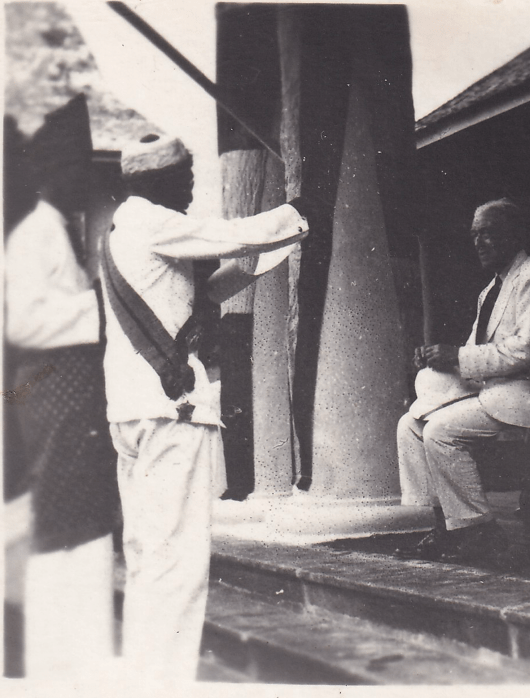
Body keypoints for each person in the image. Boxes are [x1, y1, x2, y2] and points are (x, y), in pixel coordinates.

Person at [101, 133, 317, 681]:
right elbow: (228, 237)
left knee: (151, 553)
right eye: (187, 180)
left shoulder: (127, 228)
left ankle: (145, 677)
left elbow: (208, 292)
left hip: (134, 411)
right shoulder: (153, 220)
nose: (193, 192)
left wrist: (275, 247)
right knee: (179, 560)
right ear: (162, 181)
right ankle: (165, 682)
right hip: (170, 410)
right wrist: (295, 215)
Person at [4, 94, 120, 679]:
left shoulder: (65, 235)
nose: (82, 182)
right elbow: (20, 320)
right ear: (50, 173)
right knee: (60, 524)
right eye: (73, 170)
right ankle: (58, 665)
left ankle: (84, 661)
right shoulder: (32, 237)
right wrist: (92, 311)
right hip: (51, 390)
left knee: (86, 520)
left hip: (73, 394)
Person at [395, 198, 530, 564]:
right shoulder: (490, 290)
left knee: (439, 431)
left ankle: (479, 530)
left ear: (515, 234)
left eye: (489, 233)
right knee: (409, 425)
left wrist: (457, 356)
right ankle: (445, 525)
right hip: (491, 391)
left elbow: (524, 351)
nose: (479, 242)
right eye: (475, 235)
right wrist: (440, 358)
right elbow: (477, 353)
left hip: (526, 396)